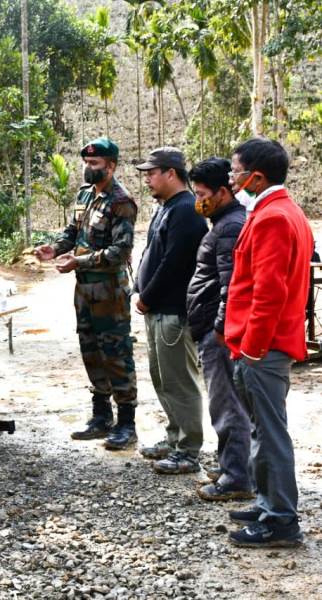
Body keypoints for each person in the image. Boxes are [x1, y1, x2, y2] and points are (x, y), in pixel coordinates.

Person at [224, 138, 312, 548]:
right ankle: (267, 503)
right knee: (263, 429)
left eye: (236, 171)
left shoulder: (273, 217)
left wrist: (252, 348)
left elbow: (269, 292)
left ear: (256, 177)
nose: (232, 179)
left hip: (264, 347)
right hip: (264, 345)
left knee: (271, 433)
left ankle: (280, 520)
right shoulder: (279, 210)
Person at [34, 137, 139, 450]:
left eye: (95, 163)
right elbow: (73, 232)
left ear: (111, 166)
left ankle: (126, 423)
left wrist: (78, 261)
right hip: (84, 290)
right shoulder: (85, 194)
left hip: (109, 291)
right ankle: (101, 416)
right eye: (86, 162)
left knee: (116, 353)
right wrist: (55, 249)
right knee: (90, 349)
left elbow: (120, 252)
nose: (88, 167)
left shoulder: (121, 201)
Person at [134, 147, 208, 474]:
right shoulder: (167, 207)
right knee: (162, 379)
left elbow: (174, 263)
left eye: (152, 173)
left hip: (173, 311)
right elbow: (153, 253)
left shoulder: (187, 211)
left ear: (171, 173)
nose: (147, 179)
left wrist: (147, 296)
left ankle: (188, 450)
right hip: (158, 310)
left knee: (180, 382)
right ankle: (175, 437)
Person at [187, 158, 253, 501]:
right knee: (226, 403)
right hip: (214, 329)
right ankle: (233, 466)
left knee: (227, 405)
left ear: (223, 192)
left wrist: (219, 329)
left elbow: (232, 286)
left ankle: (237, 478)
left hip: (219, 334)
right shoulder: (224, 223)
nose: (199, 201)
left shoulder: (229, 228)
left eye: (202, 195)